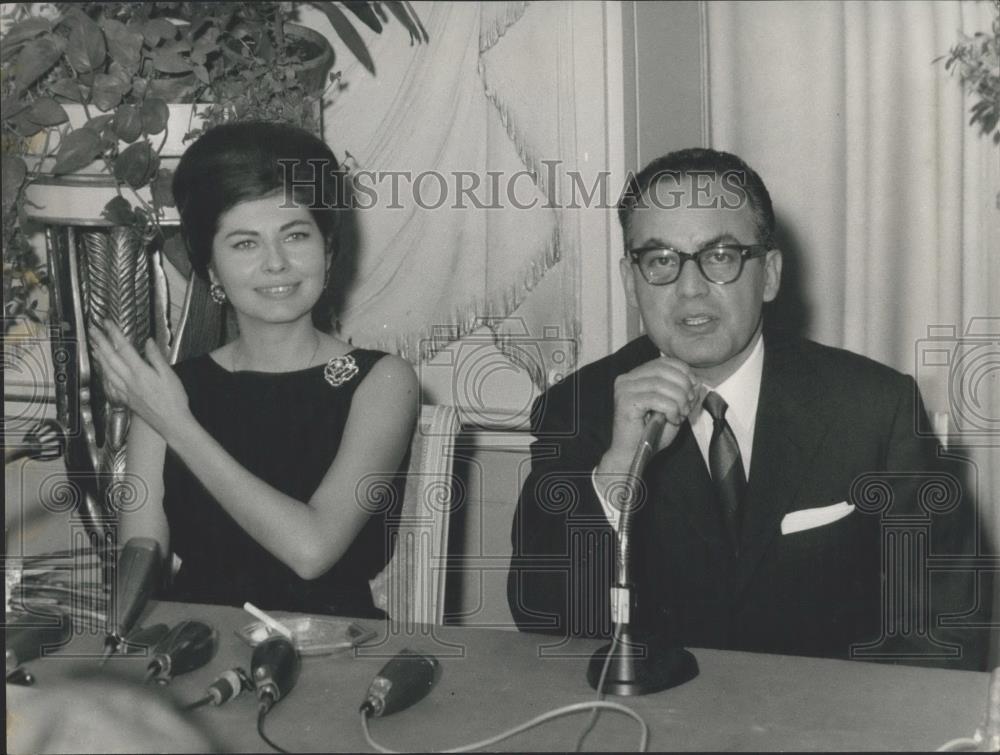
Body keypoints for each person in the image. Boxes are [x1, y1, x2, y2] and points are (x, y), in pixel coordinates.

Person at [507, 148, 993, 669]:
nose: (690, 289)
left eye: (720, 256)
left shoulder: (873, 405)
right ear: (631, 281)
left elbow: (947, 629)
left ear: (770, 275)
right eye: (661, 260)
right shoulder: (577, 410)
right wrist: (619, 468)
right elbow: (544, 617)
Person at [90, 122, 417, 618]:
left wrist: (177, 425)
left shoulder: (381, 381)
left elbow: (311, 552)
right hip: (195, 650)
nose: (276, 264)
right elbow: (140, 564)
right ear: (212, 270)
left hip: (328, 656)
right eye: (245, 244)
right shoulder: (170, 390)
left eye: (296, 235)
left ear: (328, 251)